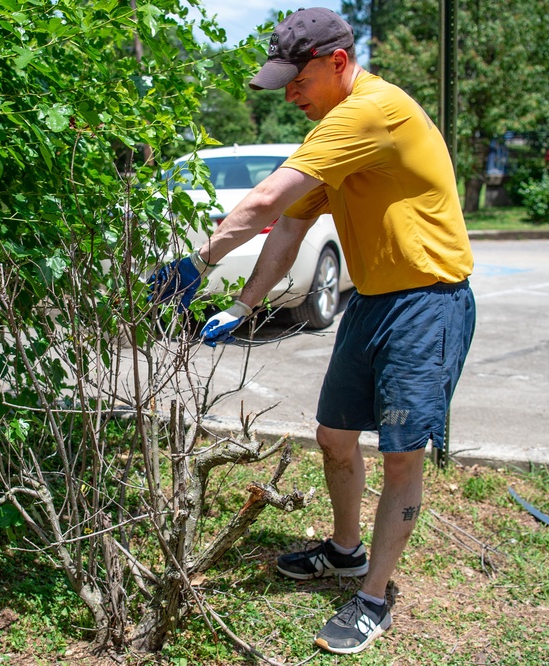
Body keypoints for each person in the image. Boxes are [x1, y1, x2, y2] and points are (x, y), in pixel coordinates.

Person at [150, 7, 475, 655]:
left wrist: (200, 262)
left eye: (294, 80)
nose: (289, 93)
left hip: (427, 301)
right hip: (373, 304)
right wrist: (244, 306)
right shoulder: (338, 129)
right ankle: (347, 552)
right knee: (333, 436)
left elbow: (266, 200)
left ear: (335, 62)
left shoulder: (370, 112)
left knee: (401, 453)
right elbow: (292, 224)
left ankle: (375, 596)